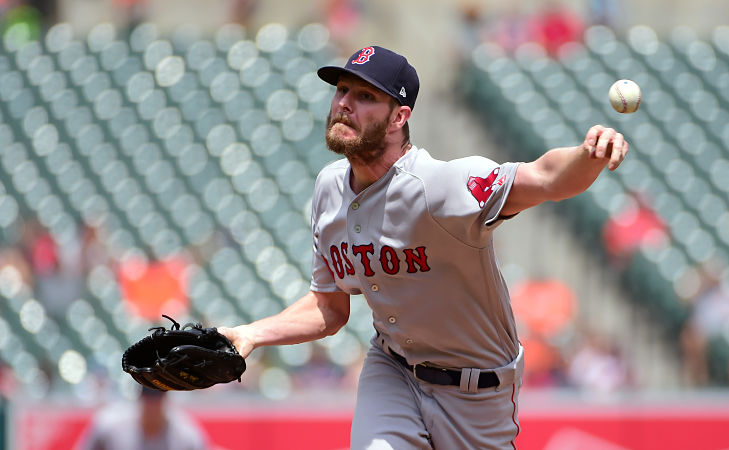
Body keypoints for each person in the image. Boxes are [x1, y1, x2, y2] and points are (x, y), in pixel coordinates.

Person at [219, 45, 630, 449]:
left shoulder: (439, 186)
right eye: (342, 90)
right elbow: (329, 306)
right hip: (393, 370)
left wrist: (588, 155)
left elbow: (545, 178)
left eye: (365, 96)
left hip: (477, 390)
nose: (344, 103)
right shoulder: (329, 188)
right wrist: (249, 334)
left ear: (399, 117)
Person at [77, 387, 210, 450]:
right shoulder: (109, 424)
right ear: (140, 397)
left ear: (165, 399)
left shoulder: (186, 434)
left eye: (156, 399)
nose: (152, 405)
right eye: (148, 398)